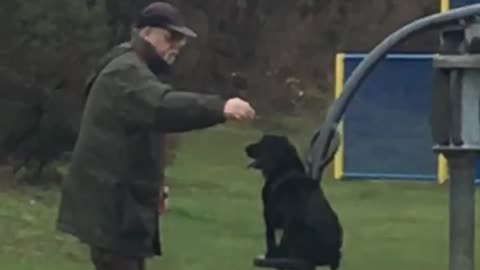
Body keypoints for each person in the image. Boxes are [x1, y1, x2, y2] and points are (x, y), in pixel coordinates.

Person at [55, 2, 255, 270]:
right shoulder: (126, 71)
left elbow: (141, 132)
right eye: (170, 37)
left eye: (181, 41)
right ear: (146, 33)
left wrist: (155, 185)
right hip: (113, 212)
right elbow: (162, 106)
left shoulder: (133, 68)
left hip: (121, 209)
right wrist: (220, 107)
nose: (176, 46)